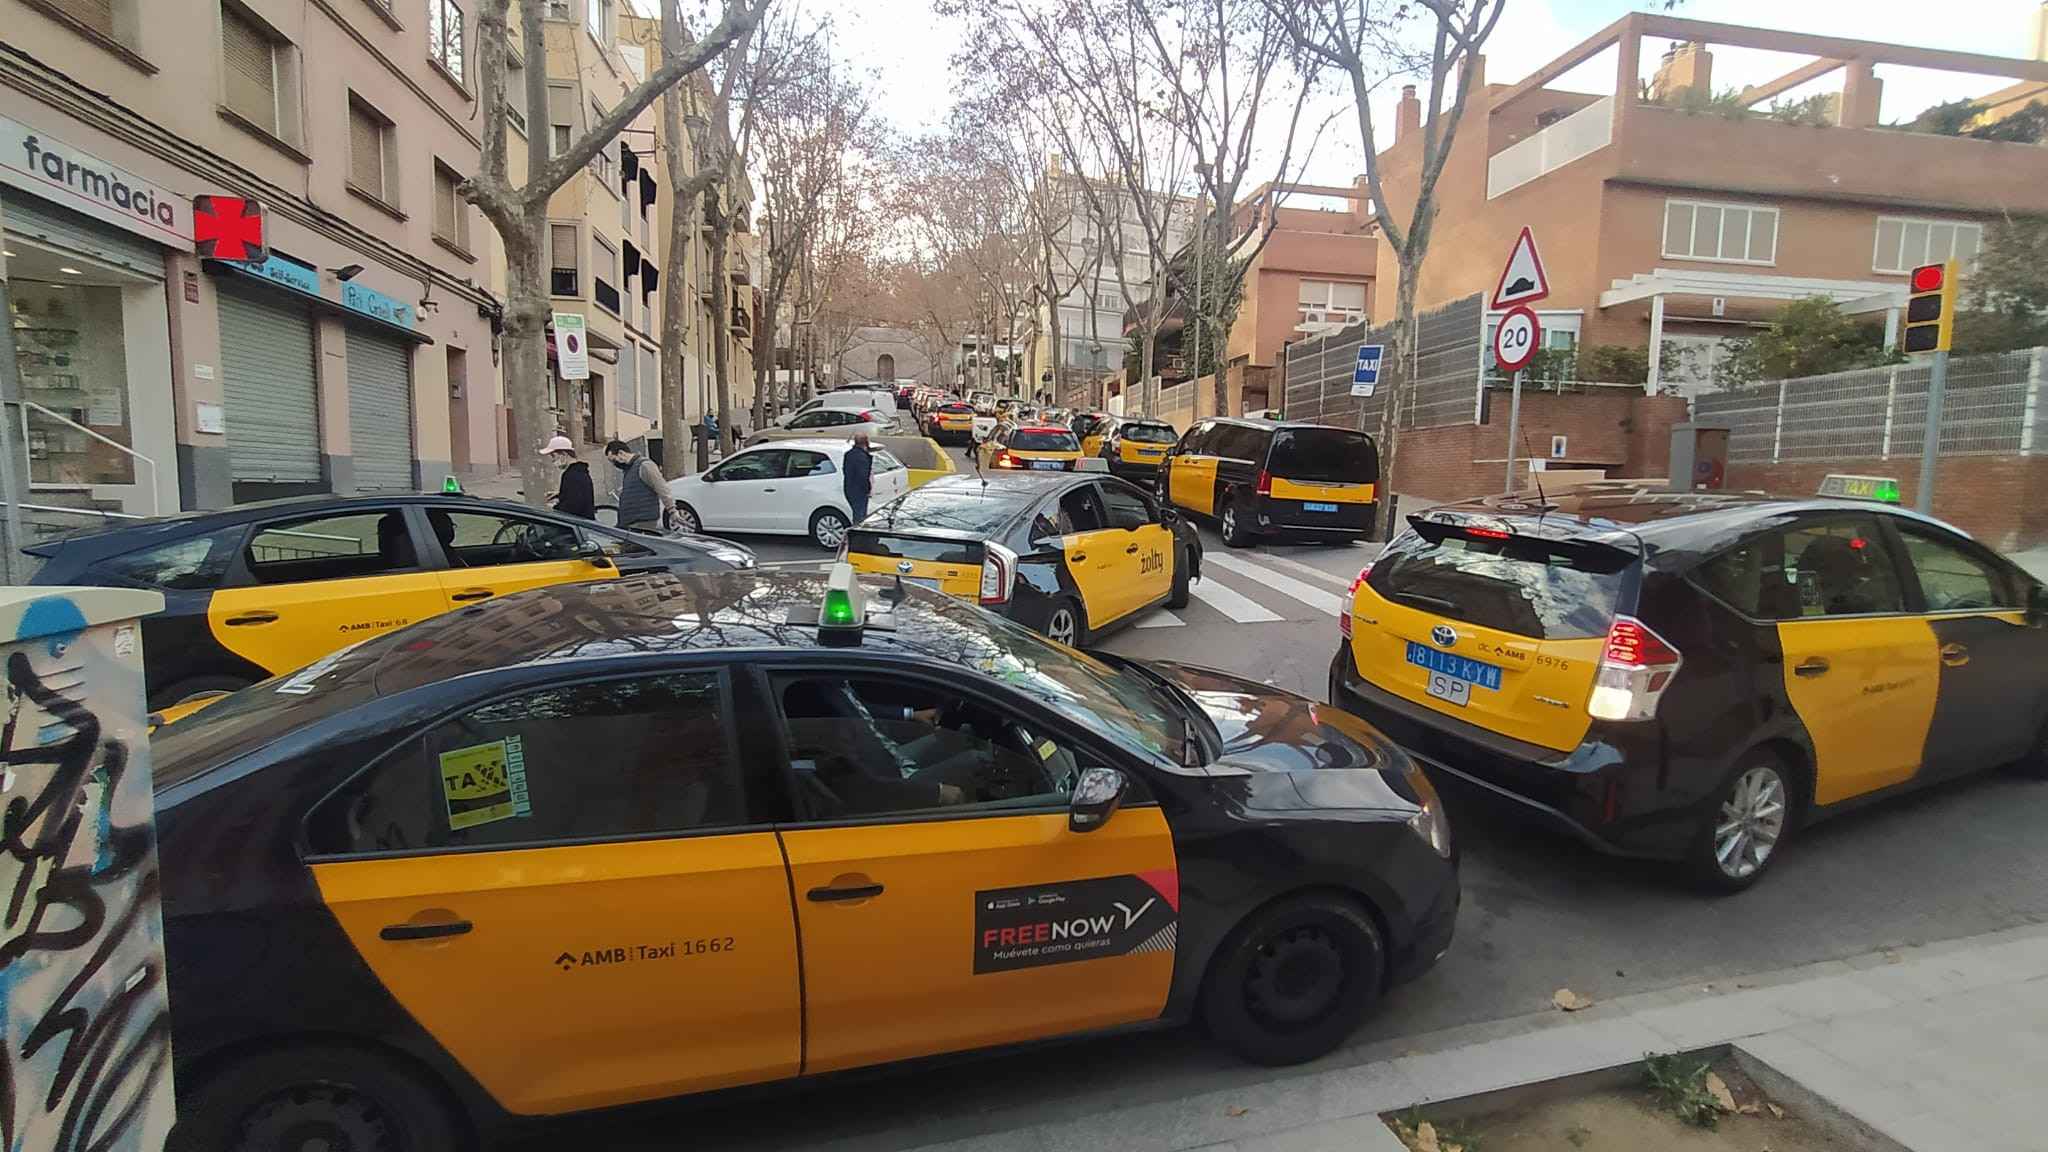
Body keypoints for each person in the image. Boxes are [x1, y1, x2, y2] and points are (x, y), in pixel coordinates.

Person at [606, 439, 676, 534]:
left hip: (642, 521)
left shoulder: (645, 466)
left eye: (614, 460)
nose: (614, 464)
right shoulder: (629, 469)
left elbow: (662, 488)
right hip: (632, 521)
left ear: (621, 453)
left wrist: (672, 510)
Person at [543, 435, 595, 520]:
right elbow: (575, 495)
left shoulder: (572, 476)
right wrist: (560, 494)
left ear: (564, 454)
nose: (552, 460)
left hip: (578, 525)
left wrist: (554, 507)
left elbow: (571, 507)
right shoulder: (579, 471)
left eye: (553, 456)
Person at [843, 429, 875, 523]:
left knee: (856, 513)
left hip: (849, 489)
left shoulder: (848, 455)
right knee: (860, 517)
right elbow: (863, 477)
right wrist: (868, 489)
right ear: (866, 443)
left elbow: (845, 471)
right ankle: (858, 536)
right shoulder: (862, 458)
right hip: (859, 491)